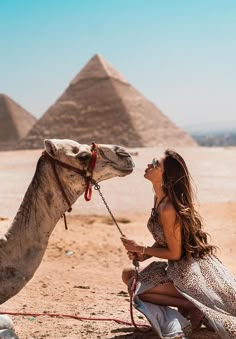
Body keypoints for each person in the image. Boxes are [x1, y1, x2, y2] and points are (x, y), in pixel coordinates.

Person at [121, 149, 236, 339]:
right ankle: (190, 306)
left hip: (189, 272)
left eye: (155, 164)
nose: (149, 165)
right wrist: (144, 254)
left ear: (166, 176)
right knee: (129, 274)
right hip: (177, 267)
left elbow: (174, 253)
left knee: (137, 289)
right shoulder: (159, 198)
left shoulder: (168, 208)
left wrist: (141, 248)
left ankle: (194, 305)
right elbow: (165, 240)